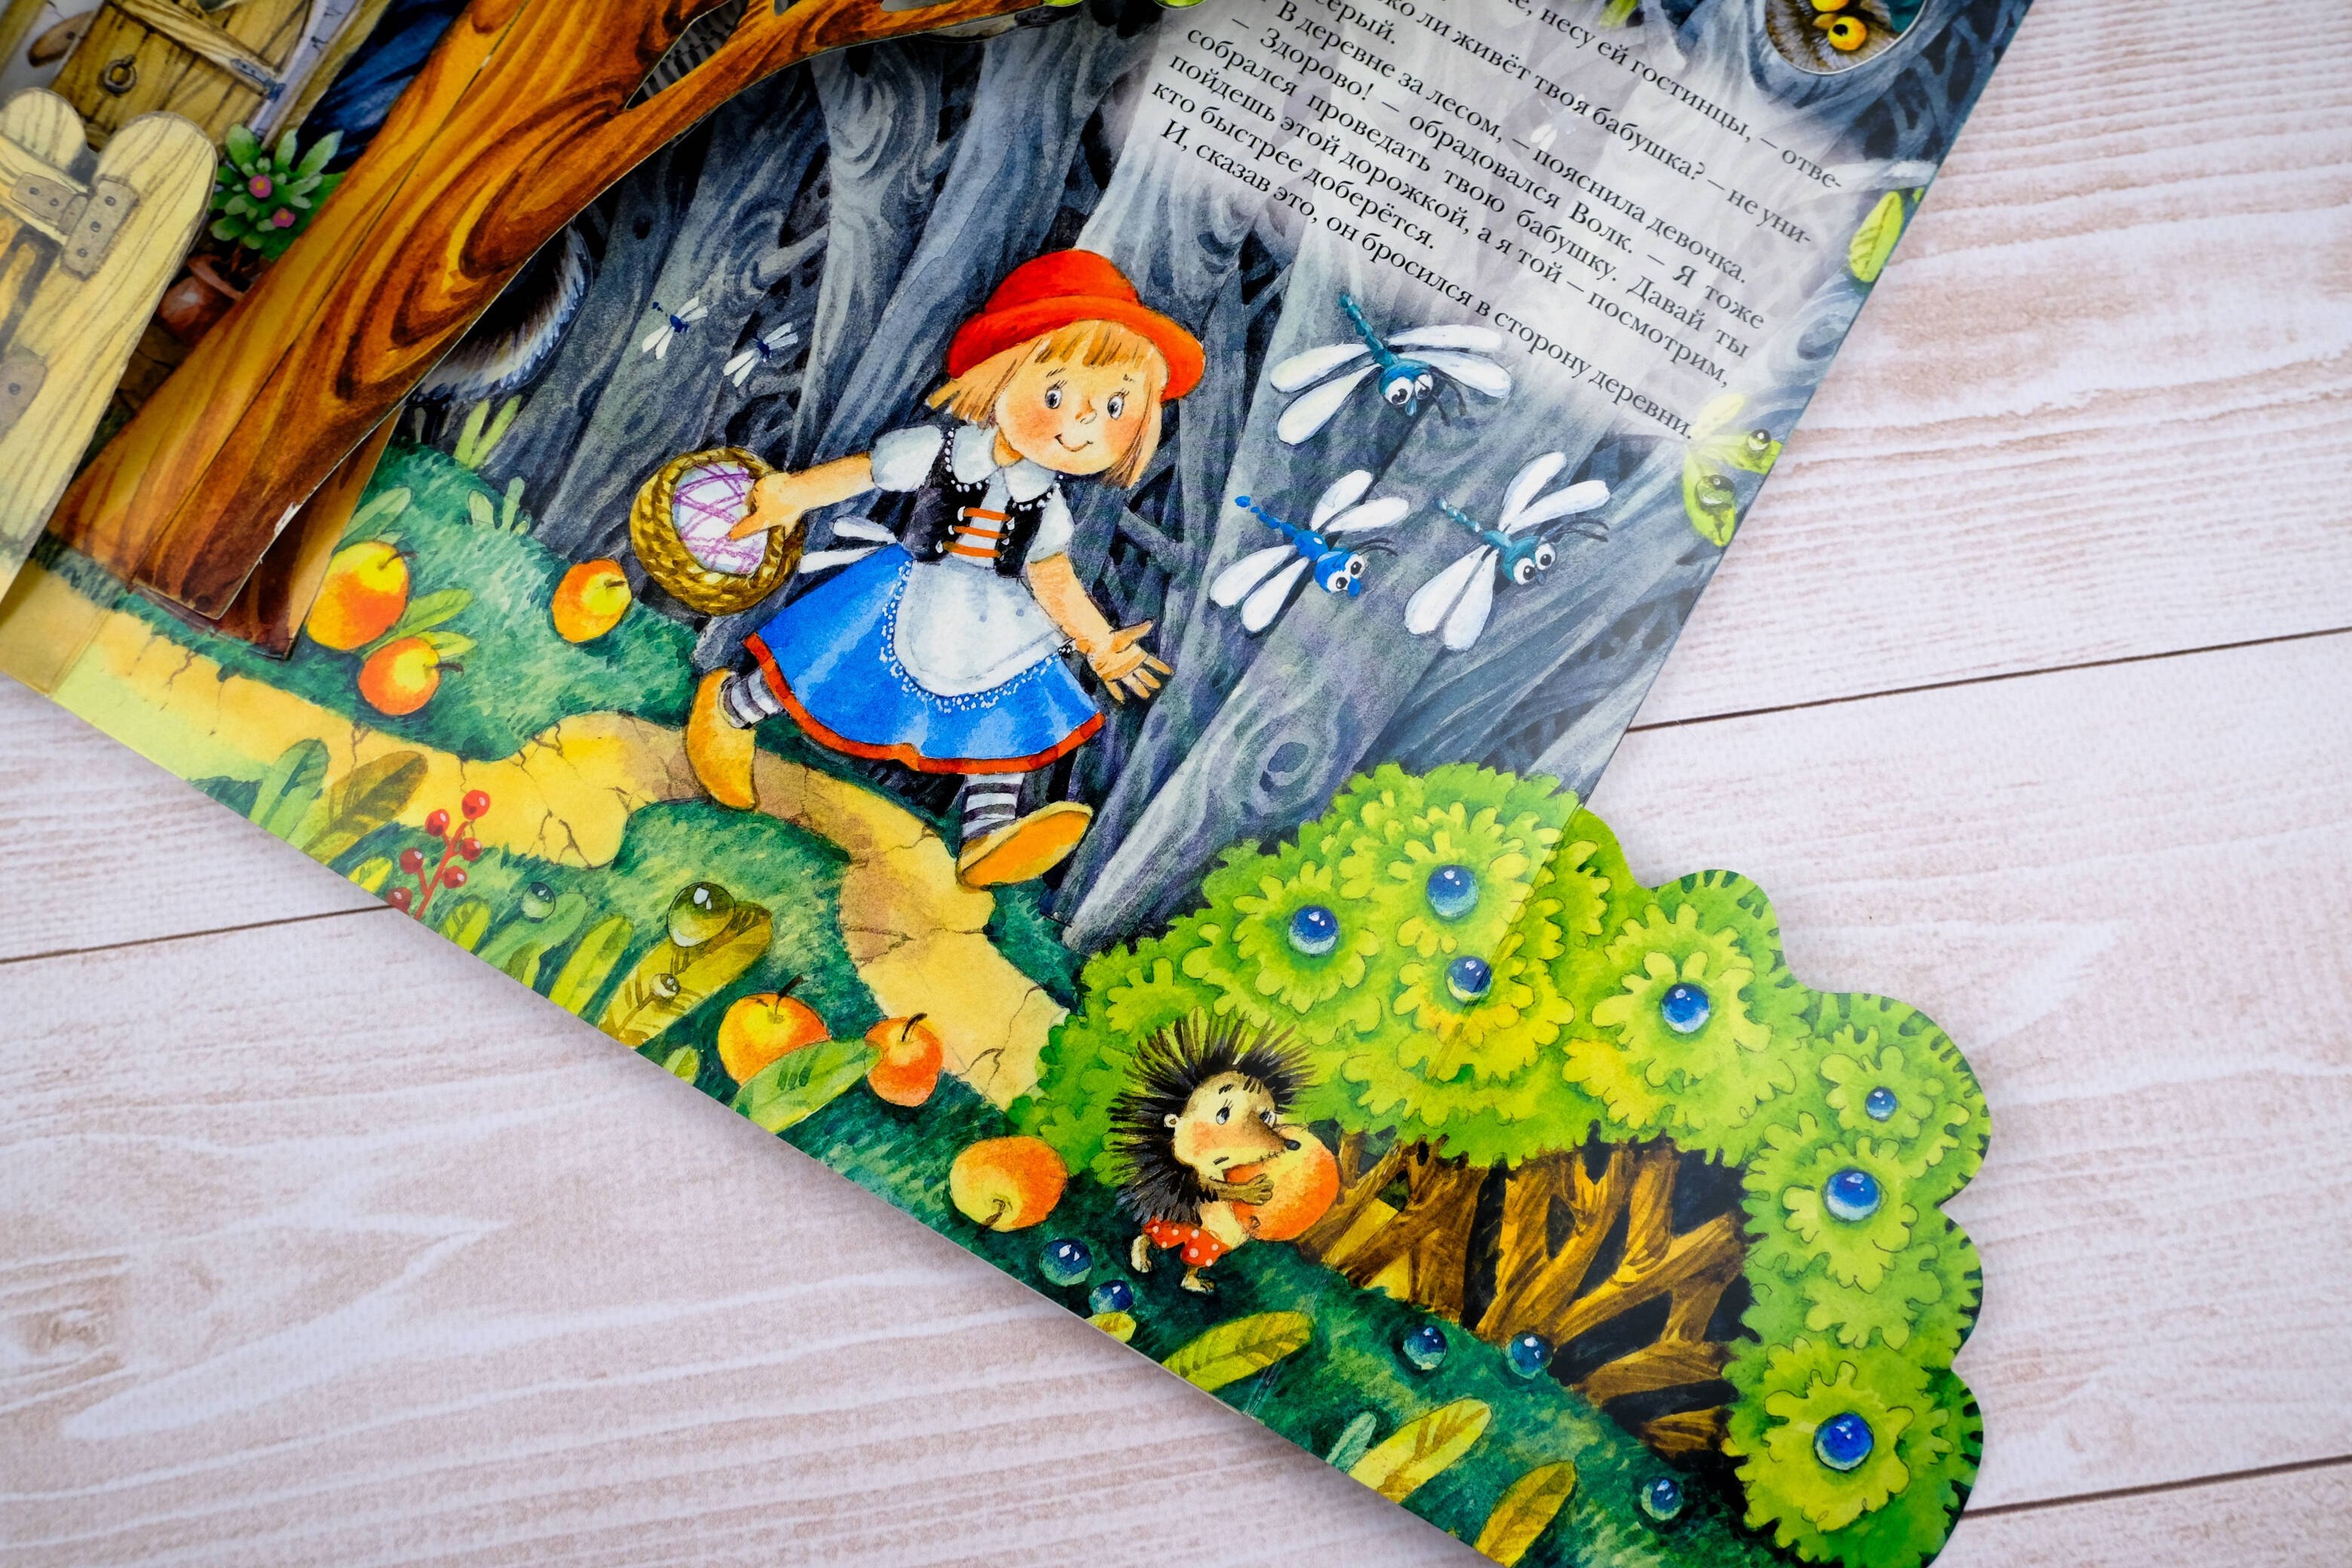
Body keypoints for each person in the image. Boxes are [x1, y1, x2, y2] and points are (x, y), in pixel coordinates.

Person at [684, 250, 1203, 887]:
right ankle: (729, 710)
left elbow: (1053, 578)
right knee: (825, 663)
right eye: (1057, 394)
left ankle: (988, 838)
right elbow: (866, 472)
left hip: (995, 617)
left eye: (1117, 409)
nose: (1081, 425)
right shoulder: (943, 450)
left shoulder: (1049, 504)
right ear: (999, 374)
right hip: (911, 589)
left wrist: (1099, 644)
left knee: (1003, 708)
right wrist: (792, 494)